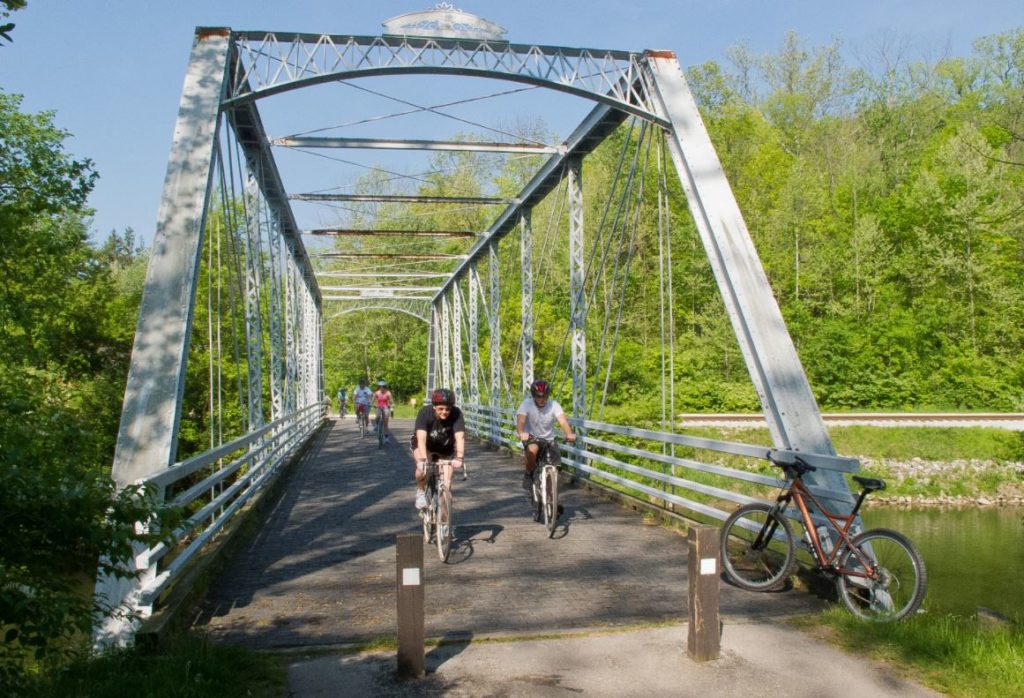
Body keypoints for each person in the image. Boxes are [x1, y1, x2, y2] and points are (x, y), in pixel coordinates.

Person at [515, 379, 577, 490]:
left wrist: (569, 434)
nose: (542, 399)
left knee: (556, 465)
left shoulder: (554, 405)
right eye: (538, 396)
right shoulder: (526, 404)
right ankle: (528, 473)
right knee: (532, 450)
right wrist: (521, 433)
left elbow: (563, 421)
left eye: (544, 396)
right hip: (532, 437)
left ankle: (552, 501)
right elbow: (521, 421)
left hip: (549, 439)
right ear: (533, 396)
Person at [412, 388, 466, 510]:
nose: (444, 412)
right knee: (423, 469)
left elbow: (460, 437)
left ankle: (444, 523)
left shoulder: (457, 414)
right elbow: (421, 439)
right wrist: (424, 460)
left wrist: (459, 457)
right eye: (441, 408)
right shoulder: (424, 413)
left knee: (446, 483)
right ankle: (421, 492)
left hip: (445, 448)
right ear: (434, 407)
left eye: (448, 409)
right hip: (425, 447)